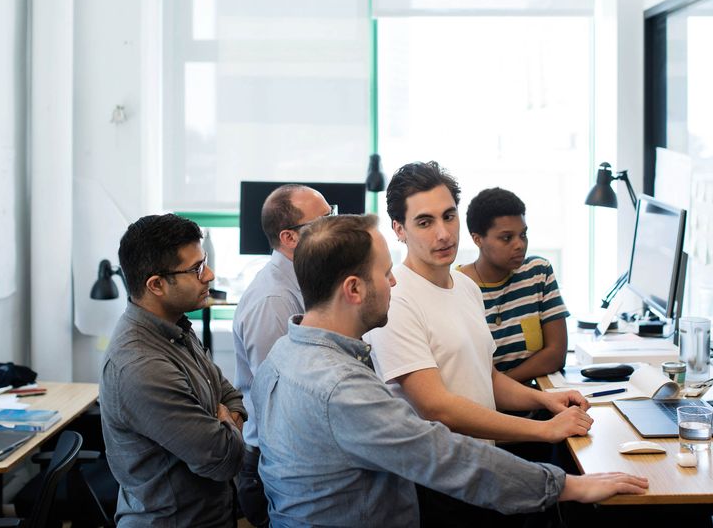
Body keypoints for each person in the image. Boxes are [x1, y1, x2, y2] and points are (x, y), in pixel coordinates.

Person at [252, 213, 648, 527]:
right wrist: (567, 486)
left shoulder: (284, 353)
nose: (393, 282)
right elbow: (443, 456)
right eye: (385, 273)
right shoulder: (341, 388)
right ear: (354, 290)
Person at [364, 162, 593, 523]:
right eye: (425, 222)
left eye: (449, 216)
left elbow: (488, 377)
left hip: (482, 467)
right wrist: (544, 429)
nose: (443, 234)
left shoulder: (466, 287)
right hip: (437, 482)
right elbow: (437, 407)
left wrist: (544, 400)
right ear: (399, 229)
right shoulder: (397, 297)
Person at [100, 213, 246, 528]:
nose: (209, 275)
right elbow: (224, 460)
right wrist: (224, 424)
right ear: (156, 285)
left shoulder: (174, 325)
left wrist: (225, 417)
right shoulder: (142, 367)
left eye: (204, 262)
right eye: (196, 269)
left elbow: (230, 394)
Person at [232, 184, 332, 527]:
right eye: (323, 221)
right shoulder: (274, 300)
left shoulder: (305, 281)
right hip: (273, 461)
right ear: (289, 238)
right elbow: (283, 396)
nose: (333, 227)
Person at [460, 187, 569, 383]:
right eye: (507, 238)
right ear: (478, 239)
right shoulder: (456, 286)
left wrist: (504, 385)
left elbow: (556, 354)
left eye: (523, 235)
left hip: (534, 403)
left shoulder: (538, 272)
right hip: (483, 408)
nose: (519, 244)